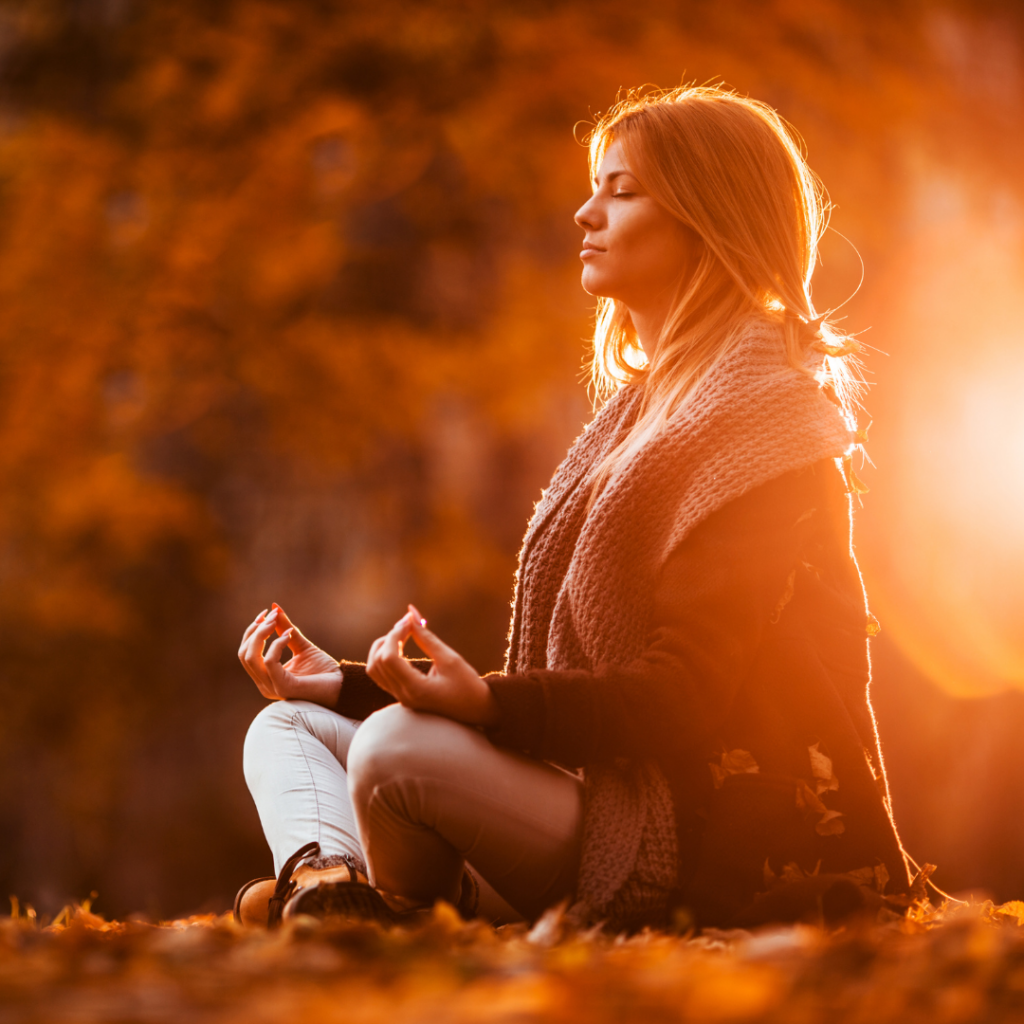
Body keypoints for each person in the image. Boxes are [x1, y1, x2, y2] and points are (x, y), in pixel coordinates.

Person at [236, 84, 909, 932]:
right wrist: (348, 682)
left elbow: (683, 700)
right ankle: (327, 888)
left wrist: (482, 705)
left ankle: (401, 915)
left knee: (392, 752)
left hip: (699, 838)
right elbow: (566, 693)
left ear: (711, 218)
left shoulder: (765, 423)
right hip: (591, 802)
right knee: (291, 723)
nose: (585, 213)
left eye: (622, 191)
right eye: (596, 187)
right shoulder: (638, 418)